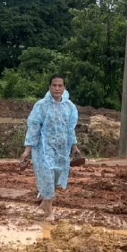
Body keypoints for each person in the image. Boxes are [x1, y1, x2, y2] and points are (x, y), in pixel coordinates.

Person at [20, 75, 82, 220]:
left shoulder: (70, 107)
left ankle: (44, 204)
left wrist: (74, 146)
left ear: (64, 88)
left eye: (60, 86)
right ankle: (50, 213)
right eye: (54, 85)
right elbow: (34, 127)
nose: (57, 88)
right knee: (46, 178)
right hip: (43, 150)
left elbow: (70, 128)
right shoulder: (41, 106)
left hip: (61, 151)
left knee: (54, 180)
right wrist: (27, 149)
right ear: (49, 87)